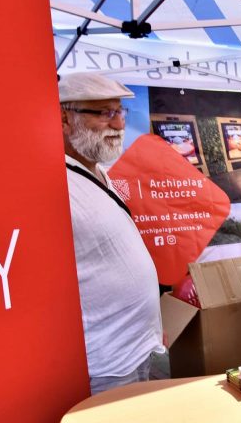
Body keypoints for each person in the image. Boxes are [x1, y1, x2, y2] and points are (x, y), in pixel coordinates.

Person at [59, 72, 165, 394]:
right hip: (106, 362)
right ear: (65, 118)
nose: (119, 125)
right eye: (105, 113)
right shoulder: (53, 181)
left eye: (120, 112)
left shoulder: (96, 171)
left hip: (141, 346)